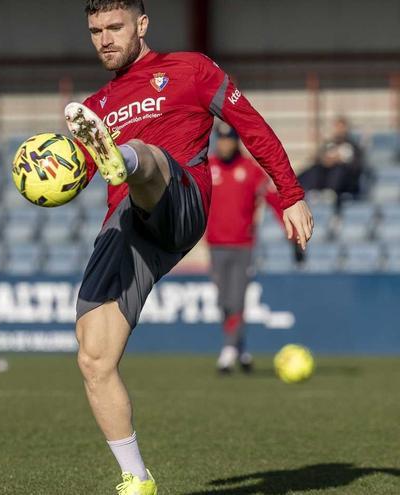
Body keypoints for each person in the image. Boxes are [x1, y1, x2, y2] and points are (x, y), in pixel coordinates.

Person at [63, 2, 313, 493]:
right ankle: (136, 478)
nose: (105, 39)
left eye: (115, 27)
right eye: (95, 31)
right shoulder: (97, 106)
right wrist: (49, 173)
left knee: (148, 159)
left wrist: (291, 193)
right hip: (127, 227)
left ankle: (128, 157)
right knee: (94, 357)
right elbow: (76, 180)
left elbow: (252, 127)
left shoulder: (189, 69)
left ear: (142, 25)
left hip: (181, 199)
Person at [206, 123, 284, 374]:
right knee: (222, 301)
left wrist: (289, 229)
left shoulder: (250, 170)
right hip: (216, 244)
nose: (224, 144)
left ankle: (228, 352)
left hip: (243, 245)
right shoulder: (209, 168)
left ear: (236, 142)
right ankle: (240, 349)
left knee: (236, 299)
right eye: (221, 139)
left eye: (229, 140)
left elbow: (273, 199)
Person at [298, 116, 365, 201]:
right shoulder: (329, 145)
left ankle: (330, 192)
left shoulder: (353, 147)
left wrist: (340, 160)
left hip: (345, 181)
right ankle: (307, 191)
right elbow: (319, 158)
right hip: (326, 175)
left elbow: (357, 166)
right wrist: (326, 160)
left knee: (339, 169)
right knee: (314, 169)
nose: (340, 130)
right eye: (337, 127)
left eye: (342, 128)